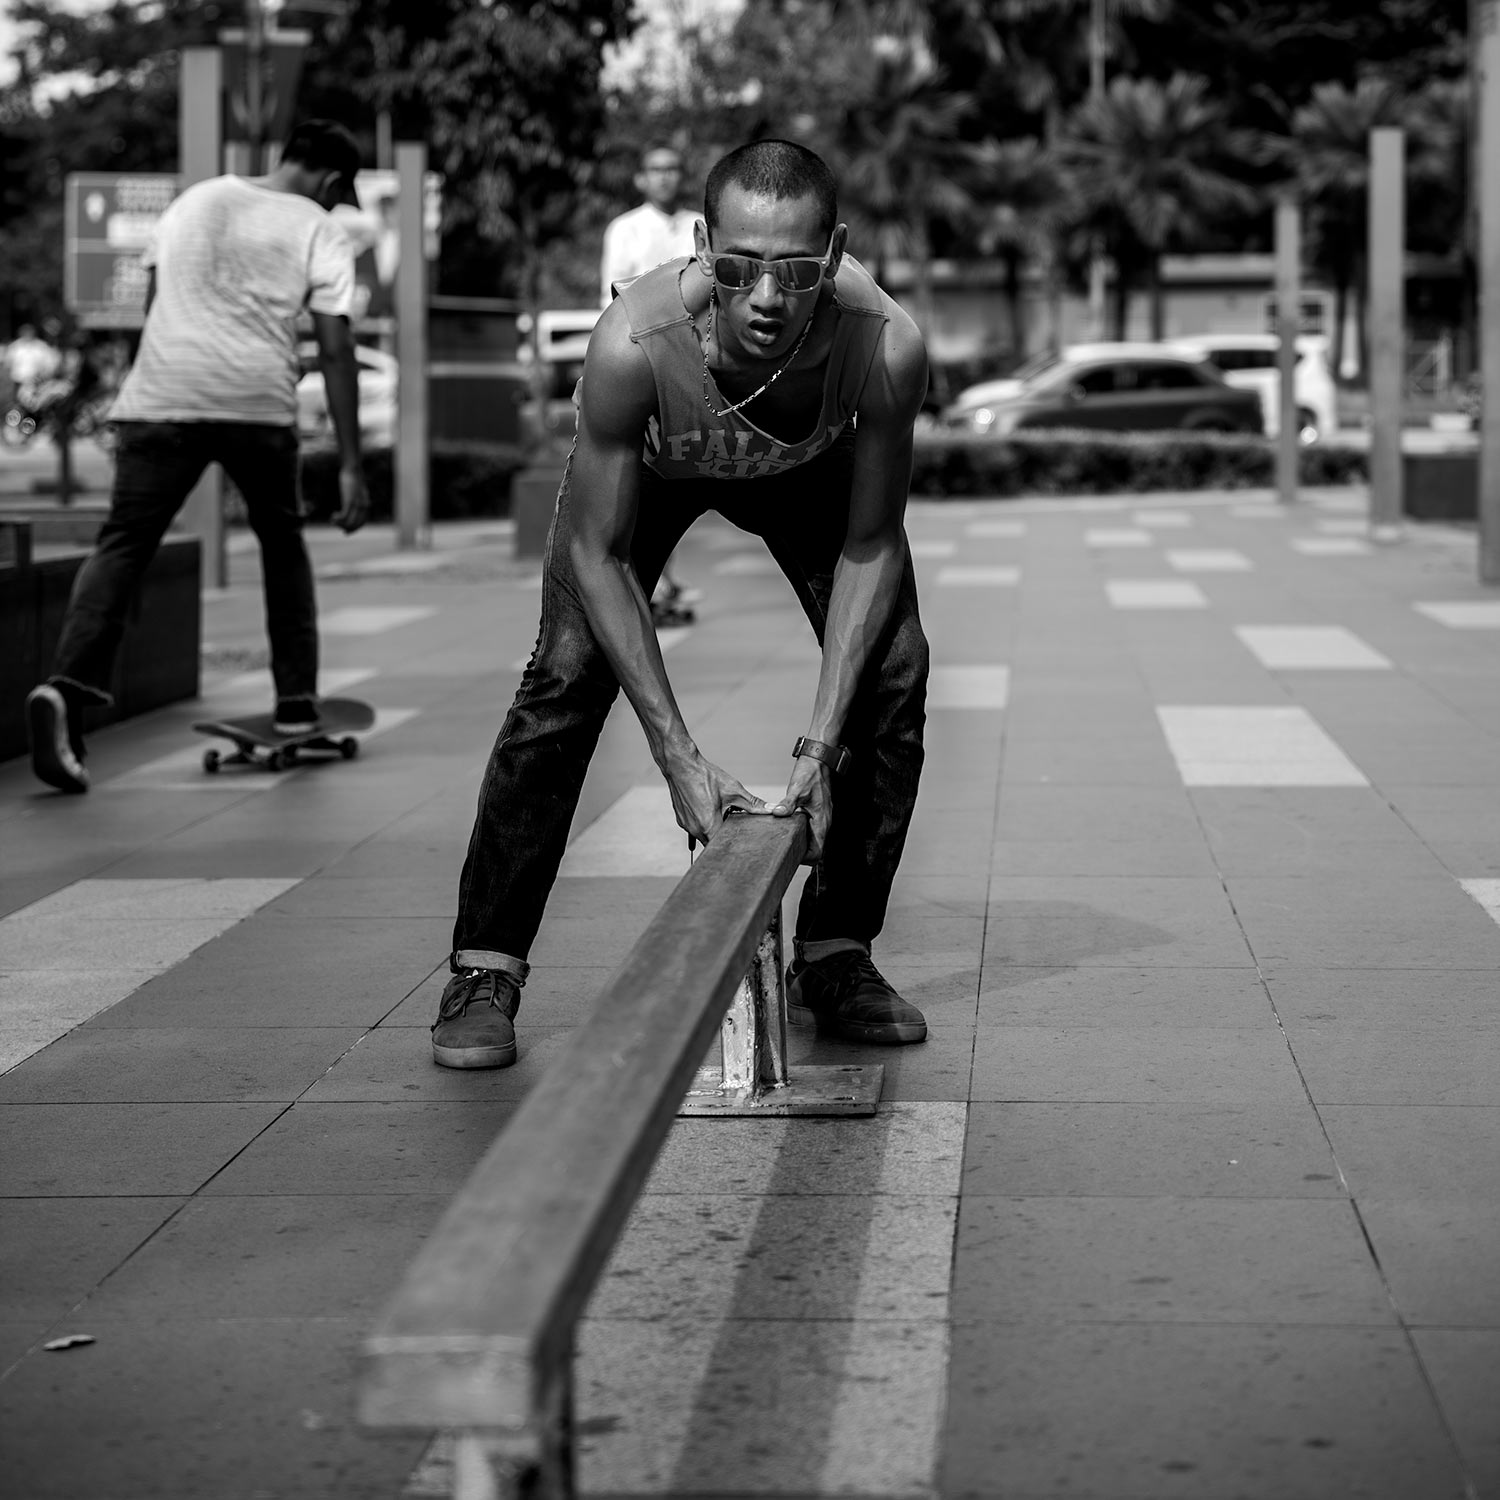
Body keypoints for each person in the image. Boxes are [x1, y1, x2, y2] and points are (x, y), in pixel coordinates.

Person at [432, 138, 931, 1071]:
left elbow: (871, 544)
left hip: (807, 471)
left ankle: (833, 952)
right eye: (738, 267)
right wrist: (677, 753)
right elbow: (600, 550)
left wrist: (821, 748)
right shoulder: (634, 344)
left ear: (835, 253)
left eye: (794, 269)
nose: (768, 299)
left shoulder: (885, 346)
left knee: (894, 673)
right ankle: (484, 966)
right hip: (658, 469)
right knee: (566, 676)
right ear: (702, 244)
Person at [25, 119, 371, 795]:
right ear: (331, 181)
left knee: (123, 544)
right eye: (337, 195)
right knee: (281, 542)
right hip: (252, 405)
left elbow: (157, 311)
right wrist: (352, 462)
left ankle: (65, 688)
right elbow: (334, 348)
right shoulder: (319, 226)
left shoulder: (194, 202)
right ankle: (297, 698)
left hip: (158, 400)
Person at [600, 144, 700, 623]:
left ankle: (660, 581)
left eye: (672, 169)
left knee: (678, 472)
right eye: (655, 169)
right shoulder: (625, 229)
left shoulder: (698, 224)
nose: (664, 178)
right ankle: (640, 583)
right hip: (643, 358)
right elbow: (618, 296)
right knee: (636, 472)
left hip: (694, 360)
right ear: (641, 178)